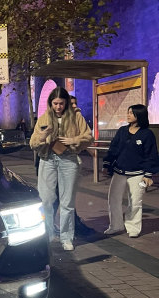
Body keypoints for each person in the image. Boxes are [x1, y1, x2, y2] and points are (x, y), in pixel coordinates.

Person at [30, 87, 93, 251]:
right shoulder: (44, 118)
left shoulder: (76, 117)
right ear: (50, 103)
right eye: (55, 103)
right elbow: (33, 143)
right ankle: (49, 235)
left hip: (68, 159)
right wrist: (44, 135)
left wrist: (74, 140)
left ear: (66, 103)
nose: (58, 107)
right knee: (46, 199)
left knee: (67, 201)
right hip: (48, 159)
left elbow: (88, 137)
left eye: (61, 103)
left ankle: (66, 237)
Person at [103, 104, 159, 238]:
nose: (128, 115)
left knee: (135, 202)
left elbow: (151, 155)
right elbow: (113, 149)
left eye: (131, 113)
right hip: (119, 172)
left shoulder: (147, 134)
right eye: (128, 112)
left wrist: (148, 174)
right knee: (113, 199)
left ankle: (133, 227)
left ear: (139, 115)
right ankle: (116, 226)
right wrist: (107, 164)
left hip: (138, 174)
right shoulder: (122, 131)